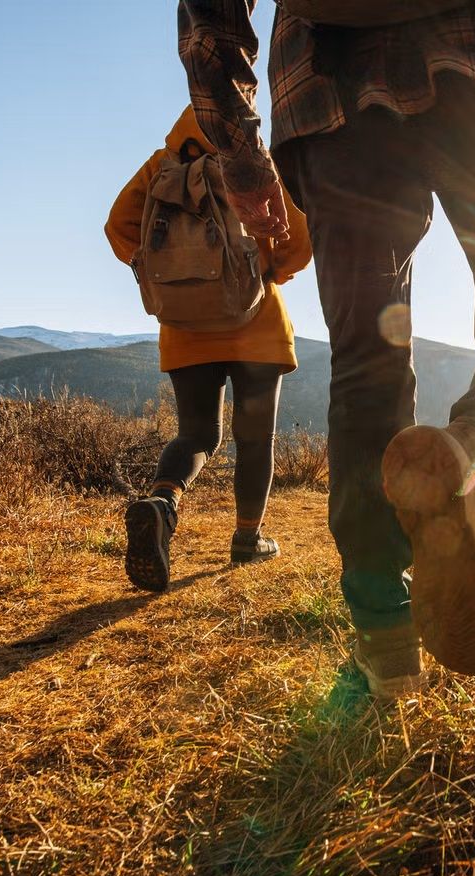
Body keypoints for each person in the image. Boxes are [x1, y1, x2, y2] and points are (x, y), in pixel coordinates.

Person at [177, 0, 475, 697]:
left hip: (327, 87)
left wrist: (237, 143)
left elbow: (211, 11)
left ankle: (382, 622)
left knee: (367, 356)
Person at [105, 106, 313, 592]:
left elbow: (118, 226)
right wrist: (267, 274)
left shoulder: (161, 165)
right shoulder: (257, 163)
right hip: (257, 323)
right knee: (255, 438)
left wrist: (165, 271)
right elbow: (300, 239)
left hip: (184, 323)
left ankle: (163, 504)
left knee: (197, 434)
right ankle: (247, 538)